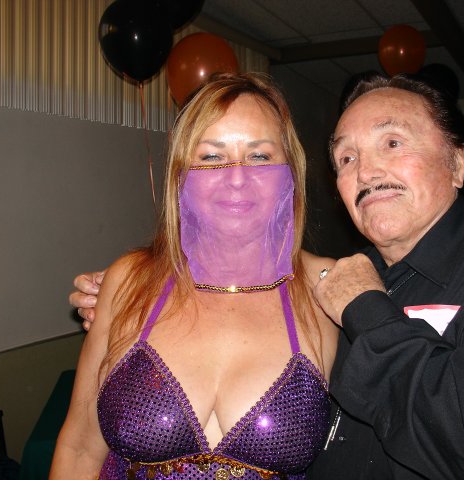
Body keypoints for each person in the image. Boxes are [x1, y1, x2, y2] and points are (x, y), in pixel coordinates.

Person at [71, 72, 464, 479]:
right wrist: (123, 294)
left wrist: (364, 308)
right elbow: (79, 445)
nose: (366, 170)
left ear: (457, 162)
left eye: (392, 143)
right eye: (347, 157)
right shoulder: (347, 278)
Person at [51, 72, 339, 479]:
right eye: (211, 157)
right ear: (180, 174)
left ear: (291, 170)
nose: (236, 177)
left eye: (259, 156)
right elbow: (80, 449)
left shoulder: (328, 287)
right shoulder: (129, 281)